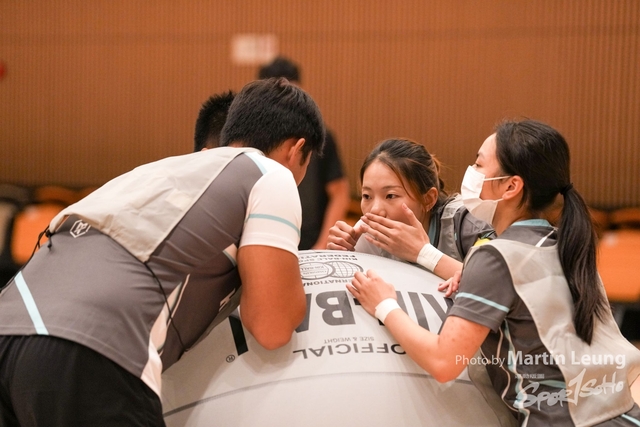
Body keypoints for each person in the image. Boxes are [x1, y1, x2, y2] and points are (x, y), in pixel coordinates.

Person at [0, 77, 325, 426]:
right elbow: (272, 326)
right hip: (94, 347)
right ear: (296, 150)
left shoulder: (159, 169)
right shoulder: (271, 173)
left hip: (9, 329)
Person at [348, 120, 640, 426]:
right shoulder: (564, 244)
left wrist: (384, 304)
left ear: (511, 186)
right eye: (367, 196)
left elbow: (444, 362)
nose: (470, 173)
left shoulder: (495, 257)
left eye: (478, 164)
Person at [327, 137, 495, 288]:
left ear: (428, 199)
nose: (375, 209)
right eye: (367, 196)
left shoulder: (467, 222)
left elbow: (494, 283)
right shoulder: (367, 233)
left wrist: (422, 253)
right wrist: (341, 258)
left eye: (390, 195)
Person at [258, 56, 350, 250]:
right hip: (267, 244)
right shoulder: (253, 138)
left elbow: (340, 193)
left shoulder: (320, 135)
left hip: (312, 243)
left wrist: (323, 245)